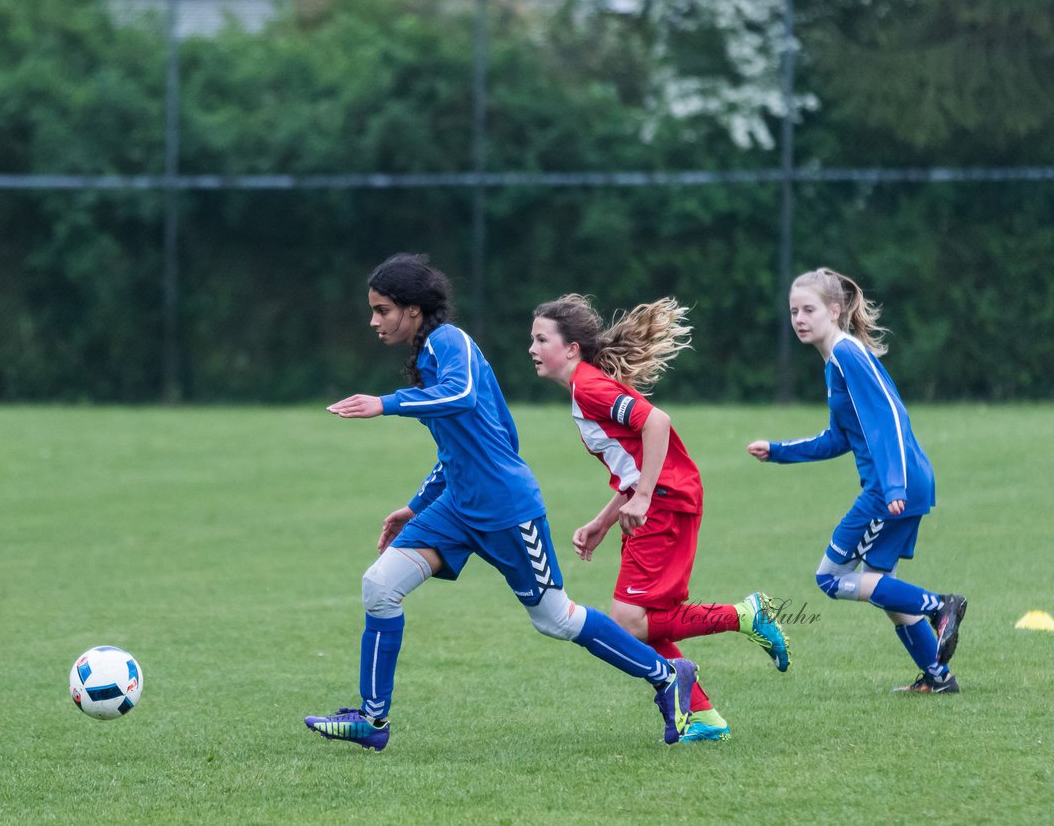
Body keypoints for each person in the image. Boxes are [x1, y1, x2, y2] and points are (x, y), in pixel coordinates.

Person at [304, 253, 698, 752]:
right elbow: (472, 443)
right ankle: (373, 720)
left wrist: (385, 403)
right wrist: (417, 505)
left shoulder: (450, 342)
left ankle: (666, 675)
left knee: (554, 618)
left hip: (506, 510)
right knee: (379, 586)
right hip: (455, 508)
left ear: (413, 309)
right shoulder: (427, 360)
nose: (374, 321)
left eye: (382, 310)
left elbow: (464, 395)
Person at [529, 294, 791, 743]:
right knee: (648, 620)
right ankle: (704, 717)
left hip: (665, 499)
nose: (531, 348)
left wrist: (645, 496)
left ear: (571, 348)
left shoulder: (589, 387)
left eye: (540, 339)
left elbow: (656, 422)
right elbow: (630, 464)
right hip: (661, 498)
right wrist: (604, 520)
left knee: (629, 622)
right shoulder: (584, 387)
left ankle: (747, 615)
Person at [746, 267, 966, 694]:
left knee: (830, 578)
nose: (799, 319)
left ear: (835, 310)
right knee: (882, 584)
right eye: (793, 311)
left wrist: (895, 486)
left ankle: (940, 607)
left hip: (891, 488)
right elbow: (837, 439)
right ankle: (939, 678)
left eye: (808, 309)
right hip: (898, 483)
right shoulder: (835, 364)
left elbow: (889, 420)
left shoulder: (848, 354)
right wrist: (778, 451)